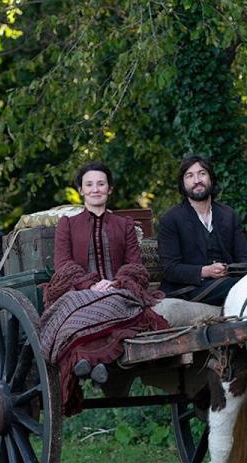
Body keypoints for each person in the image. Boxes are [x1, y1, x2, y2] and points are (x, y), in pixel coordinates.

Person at [39, 161, 168, 416]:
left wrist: (116, 282)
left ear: (110, 189)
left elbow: (135, 264)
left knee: (124, 305)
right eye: (89, 185)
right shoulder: (67, 224)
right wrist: (90, 284)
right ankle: (85, 361)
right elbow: (63, 264)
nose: (95, 189)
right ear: (81, 190)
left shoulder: (125, 225)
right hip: (79, 291)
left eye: (101, 184)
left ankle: (97, 362)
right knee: (73, 307)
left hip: (119, 290)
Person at [157, 155, 247, 305]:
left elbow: (246, 259)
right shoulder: (171, 219)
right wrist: (205, 271)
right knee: (236, 287)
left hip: (226, 282)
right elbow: (170, 269)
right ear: (183, 184)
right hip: (187, 290)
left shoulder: (228, 215)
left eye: (202, 174)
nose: (197, 180)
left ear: (211, 178)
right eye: (189, 176)